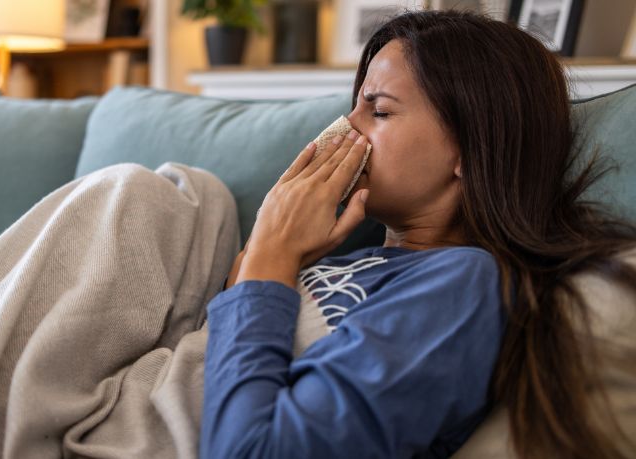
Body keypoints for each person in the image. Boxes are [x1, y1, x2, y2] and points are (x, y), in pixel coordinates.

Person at [200, 9, 636, 459]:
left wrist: (271, 254)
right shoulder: (322, 256)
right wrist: (271, 248)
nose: (346, 127)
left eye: (380, 111)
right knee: (193, 192)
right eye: (355, 107)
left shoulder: (462, 285)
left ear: (470, 148)